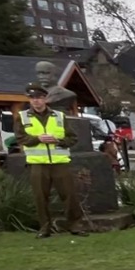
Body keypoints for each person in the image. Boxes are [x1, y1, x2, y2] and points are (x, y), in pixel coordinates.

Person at [17, 83, 85, 238]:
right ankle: (45, 228)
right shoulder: (22, 117)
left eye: (39, 98)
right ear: (29, 100)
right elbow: (20, 138)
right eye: (32, 98)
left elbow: (72, 138)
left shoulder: (59, 116)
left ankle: (74, 225)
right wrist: (37, 139)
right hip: (37, 163)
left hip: (59, 161)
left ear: (45, 99)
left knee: (69, 195)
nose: (36, 101)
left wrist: (58, 141)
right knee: (40, 197)